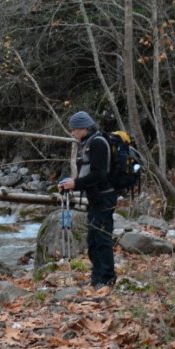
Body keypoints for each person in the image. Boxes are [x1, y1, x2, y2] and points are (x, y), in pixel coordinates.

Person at [57, 110, 117, 289]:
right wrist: (72, 182)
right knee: (93, 239)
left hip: (104, 197)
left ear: (83, 128)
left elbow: (99, 174)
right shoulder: (89, 143)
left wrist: (75, 184)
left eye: (74, 130)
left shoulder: (98, 143)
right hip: (96, 198)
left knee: (102, 239)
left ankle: (106, 279)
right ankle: (97, 277)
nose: (72, 133)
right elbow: (89, 174)